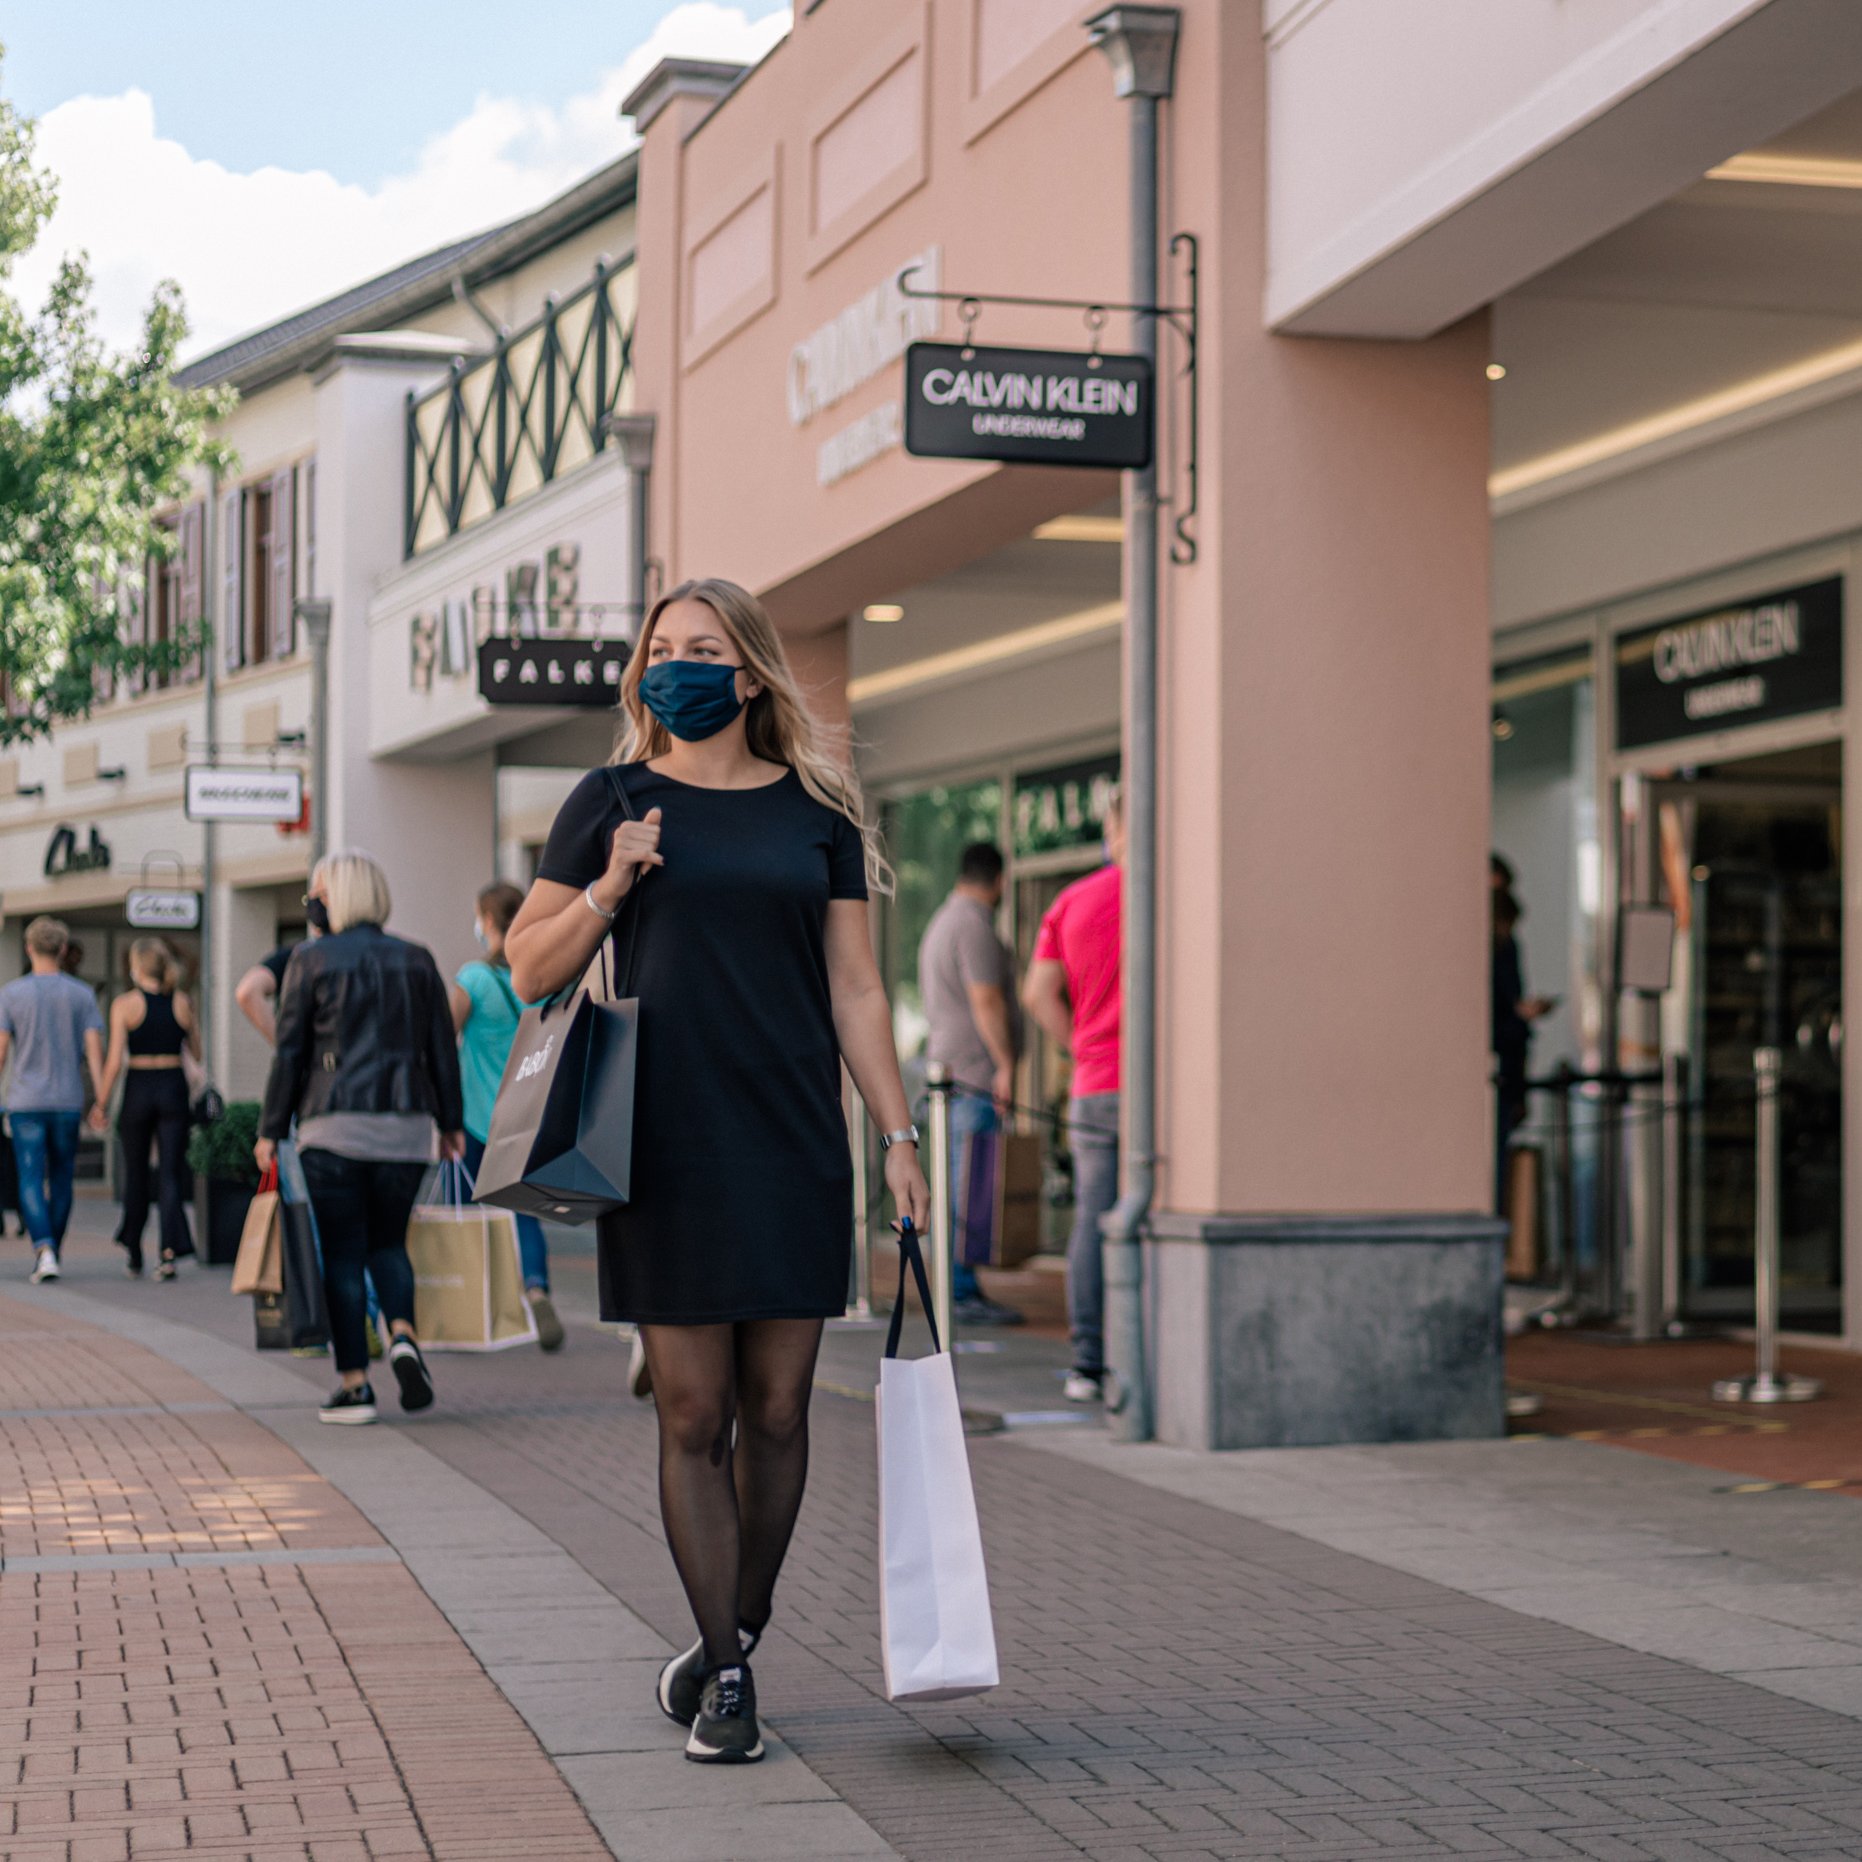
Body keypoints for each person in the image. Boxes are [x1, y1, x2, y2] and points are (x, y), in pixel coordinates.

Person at [507, 576, 929, 1768]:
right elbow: (529, 961)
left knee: (782, 1410)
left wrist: (896, 1138)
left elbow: (855, 987)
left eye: (700, 648)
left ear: (747, 673)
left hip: (793, 1129)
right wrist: (612, 881)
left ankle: (724, 1631)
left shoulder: (817, 811)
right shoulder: (611, 799)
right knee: (695, 1410)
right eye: (658, 648)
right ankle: (732, 1676)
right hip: (663, 1136)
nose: (673, 665)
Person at [257, 851, 465, 1426]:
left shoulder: (310, 959)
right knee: (389, 1244)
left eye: (317, 893)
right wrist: (451, 1123)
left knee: (343, 1256)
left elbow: (291, 1053)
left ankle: (354, 1385)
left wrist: (270, 1129)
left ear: (337, 896)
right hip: (406, 1128)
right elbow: (441, 1049)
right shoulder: (417, 959)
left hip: (333, 1127)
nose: (312, 904)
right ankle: (401, 1334)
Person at [1023, 792, 1125, 1404]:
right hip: (1163, 1094)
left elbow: (1038, 994)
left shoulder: (1073, 901)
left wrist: (1081, 1048)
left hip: (1095, 1086)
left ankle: (1089, 1361)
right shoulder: (1176, 891)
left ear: (1113, 826)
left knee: (1092, 1218)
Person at [451, 880, 563, 1351]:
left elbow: (442, 1032)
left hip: (476, 1117)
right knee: (522, 1212)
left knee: (463, 1215)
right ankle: (535, 1288)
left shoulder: (474, 978)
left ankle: (470, 1306)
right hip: (526, 1118)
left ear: (488, 922)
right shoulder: (538, 979)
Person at [917, 842, 1024, 1325]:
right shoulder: (974, 926)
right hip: (973, 1073)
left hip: (950, 1069)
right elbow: (987, 1001)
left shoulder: (943, 921)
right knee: (968, 1184)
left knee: (958, 1180)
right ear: (998, 880)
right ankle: (959, 1292)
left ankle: (958, 1287)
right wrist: (1007, 1063)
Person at [0, 917, 106, 1282]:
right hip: (67, 1100)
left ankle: (44, 1248)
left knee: (29, 1177)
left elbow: (0, 1053)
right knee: (61, 1178)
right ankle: (52, 1250)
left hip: (24, 1101)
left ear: (29, 948)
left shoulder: (11, 994)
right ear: (63, 950)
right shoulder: (82, 994)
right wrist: (102, 1099)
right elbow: (95, 1052)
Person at [91, 938, 200, 1279]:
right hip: (172, 1085)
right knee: (169, 1172)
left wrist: (101, 1104)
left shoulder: (125, 1004)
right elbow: (197, 1052)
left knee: (135, 1171)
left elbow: (113, 1063)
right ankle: (168, 1253)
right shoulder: (182, 1002)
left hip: (139, 1086)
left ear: (137, 967)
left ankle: (134, 1248)